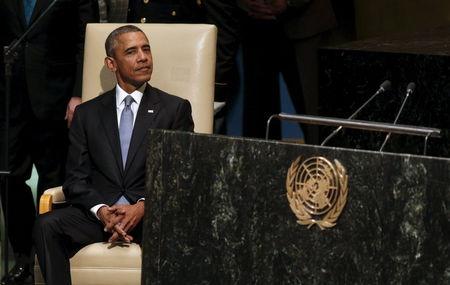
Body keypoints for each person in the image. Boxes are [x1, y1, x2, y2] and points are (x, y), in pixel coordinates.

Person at [33, 25, 194, 285]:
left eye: (146, 49)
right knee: (46, 225)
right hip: (101, 217)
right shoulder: (87, 114)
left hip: (151, 217)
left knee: (184, 231)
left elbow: (181, 177)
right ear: (111, 63)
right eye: (131, 51)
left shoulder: (174, 109)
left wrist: (142, 207)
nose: (143, 57)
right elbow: (75, 179)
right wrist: (103, 211)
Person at [0, 1, 98, 284]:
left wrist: (80, 92)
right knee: (8, 176)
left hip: (58, 96)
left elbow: (87, 38)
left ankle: (46, 258)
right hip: (10, 95)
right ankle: (23, 257)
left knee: (53, 178)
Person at [239, 0, 336, 143]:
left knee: (317, 121)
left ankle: (321, 164)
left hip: (306, 22)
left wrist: (288, 2)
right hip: (254, 24)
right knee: (258, 123)